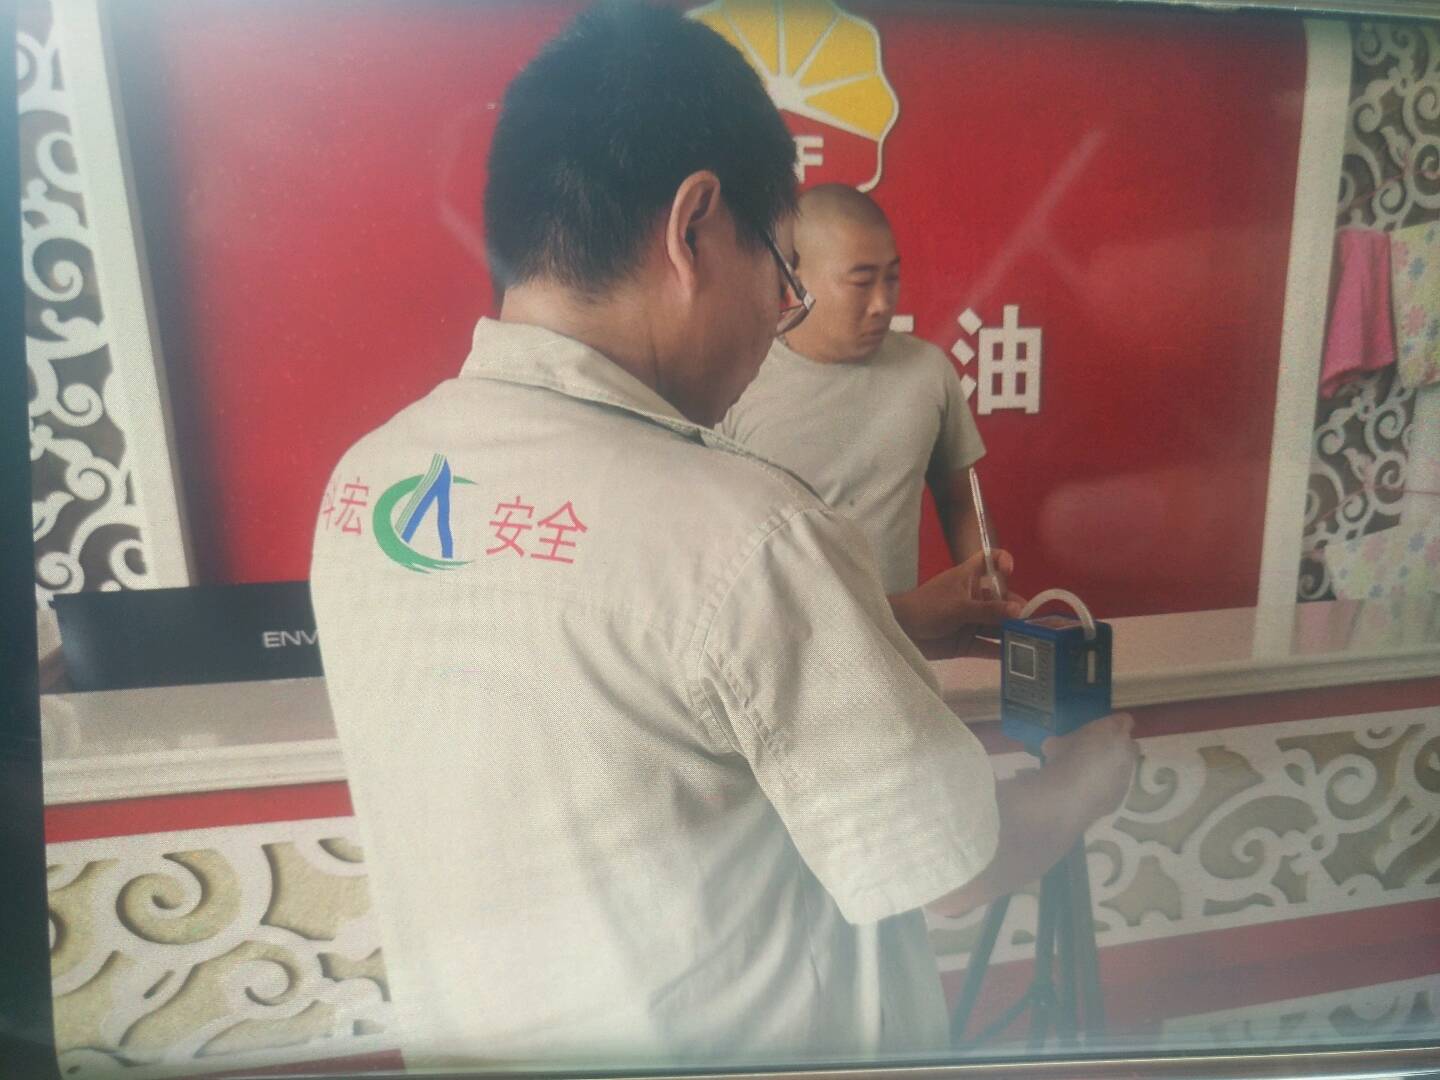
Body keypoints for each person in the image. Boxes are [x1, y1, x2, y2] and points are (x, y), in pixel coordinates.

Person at [310, 3, 1138, 1070]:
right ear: (695, 227)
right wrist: (1081, 784)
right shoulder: (751, 534)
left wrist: (901, 627)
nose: (776, 315)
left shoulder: (368, 483)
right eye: (782, 270)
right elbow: (948, 866)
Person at [720, 185, 1016, 652]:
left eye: (891, 278)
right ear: (793, 274)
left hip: (898, 653)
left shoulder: (928, 372)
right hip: (772, 654)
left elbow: (962, 499)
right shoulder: (736, 382)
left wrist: (985, 586)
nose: (881, 303)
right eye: (861, 282)